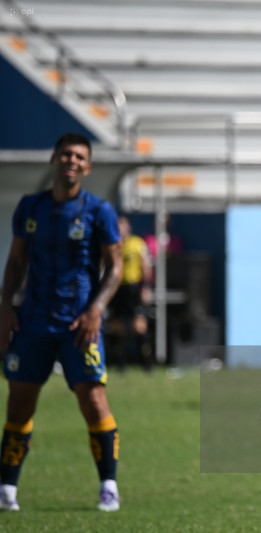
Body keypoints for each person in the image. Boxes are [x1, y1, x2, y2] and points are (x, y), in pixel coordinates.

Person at [0, 133, 123, 512]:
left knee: (93, 401)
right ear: (54, 159)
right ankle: (7, 491)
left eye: (79, 157)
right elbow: (17, 260)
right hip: (33, 321)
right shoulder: (30, 207)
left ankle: (108, 487)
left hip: (78, 325)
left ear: (87, 167)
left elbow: (115, 267)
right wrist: (5, 304)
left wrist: (95, 309)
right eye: (65, 154)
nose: (71, 161)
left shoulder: (98, 211)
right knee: (19, 405)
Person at [107, 215, 153, 371]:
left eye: (123, 225)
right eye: (118, 226)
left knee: (139, 326)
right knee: (117, 327)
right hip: (116, 288)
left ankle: (147, 363)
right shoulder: (112, 244)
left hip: (133, 289)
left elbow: (145, 265)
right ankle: (121, 364)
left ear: (129, 227)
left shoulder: (137, 243)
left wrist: (146, 287)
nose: (120, 229)